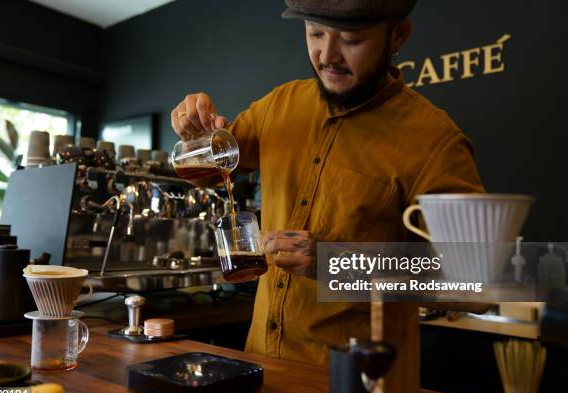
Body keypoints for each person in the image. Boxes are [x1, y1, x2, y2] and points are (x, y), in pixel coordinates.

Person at [170, 0, 484, 366]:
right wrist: (194, 130)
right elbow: (206, 171)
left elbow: (482, 283)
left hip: (361, 380)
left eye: (350, 39)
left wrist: (334, 263)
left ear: (398, 35)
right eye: (315, 33)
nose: (327, 55)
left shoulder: (433, 140)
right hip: (261, 368)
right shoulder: (279, 105)